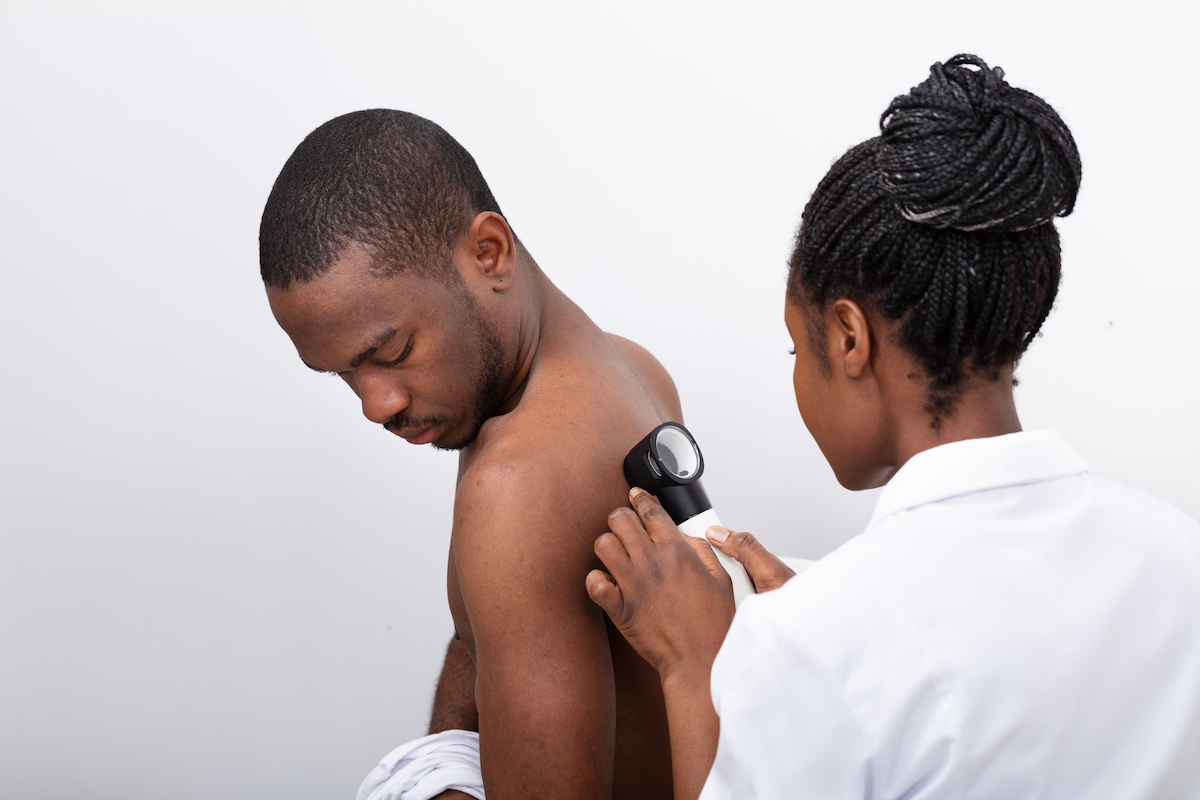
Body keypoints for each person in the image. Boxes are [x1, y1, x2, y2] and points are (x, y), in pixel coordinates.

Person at [586, 55, 1200, 799]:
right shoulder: (1177, 551)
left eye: (796, 346)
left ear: (849, 339)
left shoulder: (820, 647)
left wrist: (694, 664)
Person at [259, 111, 681, 799]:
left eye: (391, 352)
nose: (376, 405)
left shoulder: (517, 484)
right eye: (341, 374)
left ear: (489, 253)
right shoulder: (634, 370)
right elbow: (480, 643)